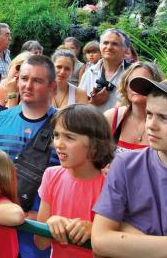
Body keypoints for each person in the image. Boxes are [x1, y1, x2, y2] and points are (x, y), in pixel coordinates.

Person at [92, 76, 167, 258]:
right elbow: (100, 241)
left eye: (164, 118)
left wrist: (128, 233)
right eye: (149, 114)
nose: (151, 125)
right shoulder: (126, 165)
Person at [0, 54, 59, 258]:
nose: (28, 85)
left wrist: (46, 214)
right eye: (24, 78)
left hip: (35, 238)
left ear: (52, 86)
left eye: (37, 80)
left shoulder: (65, 127)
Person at [34, 104, 114, 257]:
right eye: (56, 135)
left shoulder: (111, 188)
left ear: (94, 145)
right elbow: (40, 243)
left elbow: (115, 249)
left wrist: (96, 232)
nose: (58, 144)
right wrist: (50, 224)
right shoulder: (51, 175)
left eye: (69, 137)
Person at [103, 61, 164, 154]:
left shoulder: (166, 123)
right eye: (131, 82)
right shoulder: (111, 117)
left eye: (142, 82)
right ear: (125, 86)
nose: (135, 87)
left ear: (156, 86)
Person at [79, 28, 129, 112]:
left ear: (125, 49)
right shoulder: (89, 73)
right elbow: (78, 105)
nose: (109, 47)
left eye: (115, 44)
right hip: (91, 123)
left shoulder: (131, 73)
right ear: (100, 46)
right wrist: (92, 103)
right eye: (105, 43)